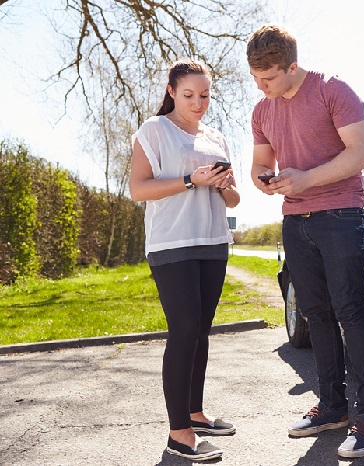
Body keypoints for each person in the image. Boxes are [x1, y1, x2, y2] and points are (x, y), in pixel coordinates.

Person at [247, 25, 364, 458]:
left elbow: (361, 153)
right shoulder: (262, 110)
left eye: (268, 78)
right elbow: (259, 164)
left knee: (349, 309)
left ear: (292, 66)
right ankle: (331, 407)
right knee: (315, 313)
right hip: (295, 220)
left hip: (341, 214)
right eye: (255, 79)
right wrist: (264, 182)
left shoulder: (333, 91)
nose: (261, 87)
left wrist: (306, 178)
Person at [129, 58, 240, 461]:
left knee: (201, 330)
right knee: (185, 328)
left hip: (213, 241)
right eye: (190, 95)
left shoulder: (216, 137)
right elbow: (138, 189)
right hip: (171, 244)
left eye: (205, 95)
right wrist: (193, 179)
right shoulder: (154, 130)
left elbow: (234, 200)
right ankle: (179, 434)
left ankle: (195, 414)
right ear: (172, 91)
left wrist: (223, 185)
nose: (198, 103)